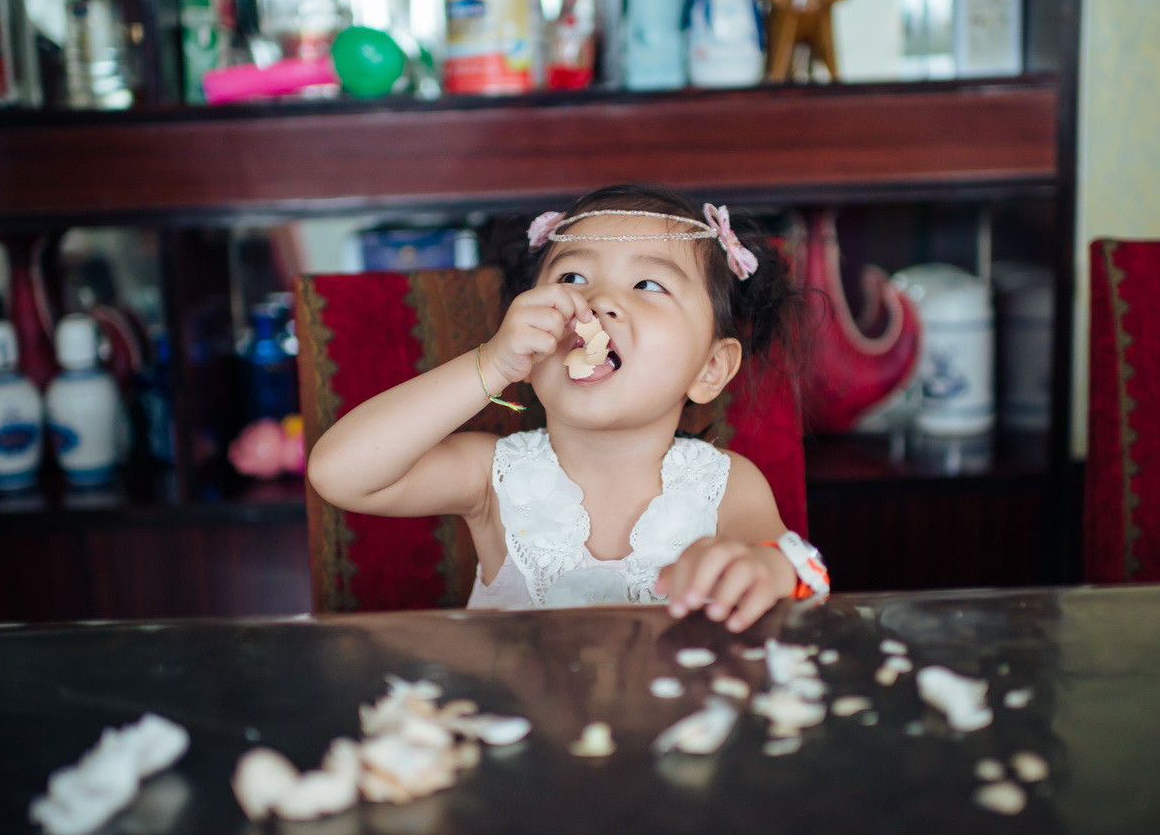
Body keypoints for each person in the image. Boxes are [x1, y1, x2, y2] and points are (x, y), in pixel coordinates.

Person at [307, 183, 827, 632]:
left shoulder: (728, 484)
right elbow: (340, 473)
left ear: (710, 369)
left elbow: (796, 573)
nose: (596, 301)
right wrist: (492, 363)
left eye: (648, 284)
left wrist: (763, 567)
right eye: (571, 279)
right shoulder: (493, 476)